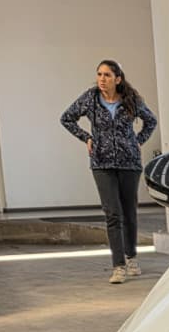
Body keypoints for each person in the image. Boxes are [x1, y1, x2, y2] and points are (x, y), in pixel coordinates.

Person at [60, 60, 157, 284]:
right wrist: (86, 137)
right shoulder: (90, 98)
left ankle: (131, 258)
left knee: (129, 213)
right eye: (99, 74)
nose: (102, 79)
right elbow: (66, 118)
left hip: (129, 163)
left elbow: (151, 121)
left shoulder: (130, 99)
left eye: (107, 75)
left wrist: (137, 141)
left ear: (117, 79)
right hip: (101, 163)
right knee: (112, 213)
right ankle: (118, 266)